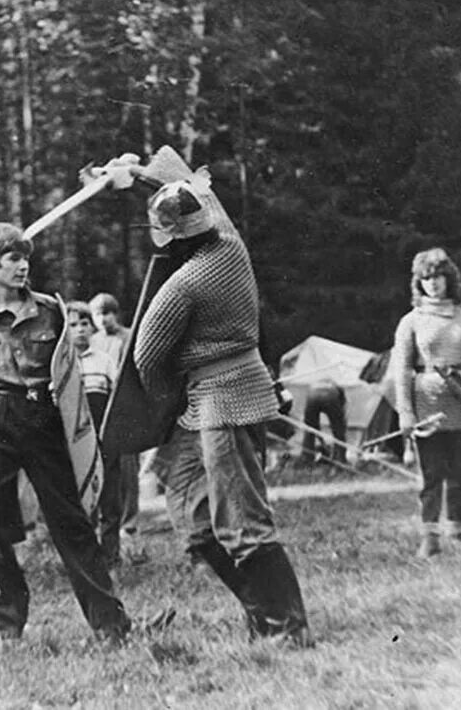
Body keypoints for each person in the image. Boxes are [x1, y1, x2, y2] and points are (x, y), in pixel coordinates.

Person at [129, 161, 312, 647]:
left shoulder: (182, 286)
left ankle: (287, 628)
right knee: (192, 513)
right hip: (220, 400)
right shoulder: (232, 248)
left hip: (220, 403)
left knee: (242, 517)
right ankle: (261, 612)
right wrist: (138, 171)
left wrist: (164, 404)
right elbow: (182, 172)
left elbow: (146, 357)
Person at [0, 223, 131, 642]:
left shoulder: (50, 310)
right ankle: (7, 627)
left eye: (26, 258)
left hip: (42, 420)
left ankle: (110, 624)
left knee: (71, 523)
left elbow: (70, 377)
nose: (24, 266)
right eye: (13, 259)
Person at [391, 248, 461, 557]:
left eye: (438, 276)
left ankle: (457, 532)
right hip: (426, 403)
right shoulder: (410, 321)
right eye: (425, 278)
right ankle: (430, 536)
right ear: (418, 283)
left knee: (458, 472)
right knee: (431, 472)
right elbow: (402, 369)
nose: (433, 283)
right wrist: (405, 413)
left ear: (449, 279)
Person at [68, 300, 123, 568]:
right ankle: (88, 559)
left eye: (84, 323)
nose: (79, 330)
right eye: (73, 324)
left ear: (93, 328)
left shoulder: (104, 361)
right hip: (75, 444)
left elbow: (116, 399)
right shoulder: (61, 366)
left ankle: (111, 555)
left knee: (110, 498)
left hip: (104, 440)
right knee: (81, 501)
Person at [89, 292, 140, 537]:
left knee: (128, 468)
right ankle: (102, 521)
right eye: (98, 314)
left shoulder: (129, 336)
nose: (103, 319)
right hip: (100, 408)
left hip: (125, 408)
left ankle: (129, 523)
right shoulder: (93, 340)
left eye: (107, 313)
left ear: (115, 314)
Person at [299, 380, 347, 466]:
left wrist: (322, 441)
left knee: (310, 431)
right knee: (339, 431)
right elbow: (341, 417)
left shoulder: (314, 385)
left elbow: (314, 427)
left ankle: (307, 458)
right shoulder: (337, 389)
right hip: (330, 396)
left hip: (312, 396)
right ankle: (340, 459)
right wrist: (340, 427)